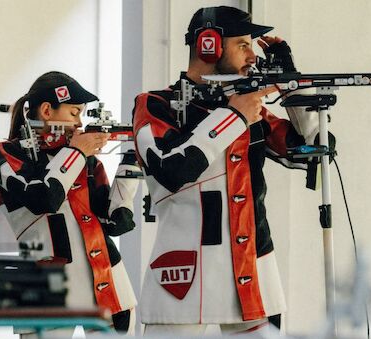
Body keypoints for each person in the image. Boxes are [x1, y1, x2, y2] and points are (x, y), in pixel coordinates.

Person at [133, 6, 321, 336]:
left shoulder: (251, 110)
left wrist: (289, 79)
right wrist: (233, 118)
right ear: (209, 44)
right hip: (183, 270)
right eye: (243, 45)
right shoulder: (155, 104)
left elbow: (310, 148)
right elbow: (170, 168)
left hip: (254, 266)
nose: (252, 55)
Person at [0, 71, 138, 336]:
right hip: (47, 290)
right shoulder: (6, 153)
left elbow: (116, 223)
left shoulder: (83, 161)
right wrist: (77, 152)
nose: (80, 124)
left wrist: (131, 164)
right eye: (74, 113)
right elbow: (44, 198)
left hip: (110, 286)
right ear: (47, 110)